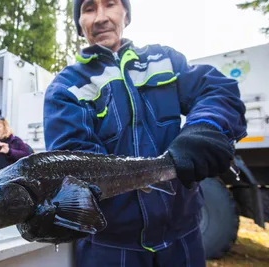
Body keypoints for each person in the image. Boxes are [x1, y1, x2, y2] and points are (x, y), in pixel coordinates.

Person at [42, 0, 247, 266]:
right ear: (80, 25)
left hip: (184, 240)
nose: (100, 17)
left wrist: (205, 127)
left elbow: (216, 90)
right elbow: (76, 167)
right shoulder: (66, 87)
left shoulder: (164, 60)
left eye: (111, 5)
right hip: (110, 249)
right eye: (89, 9)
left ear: (126, 14)